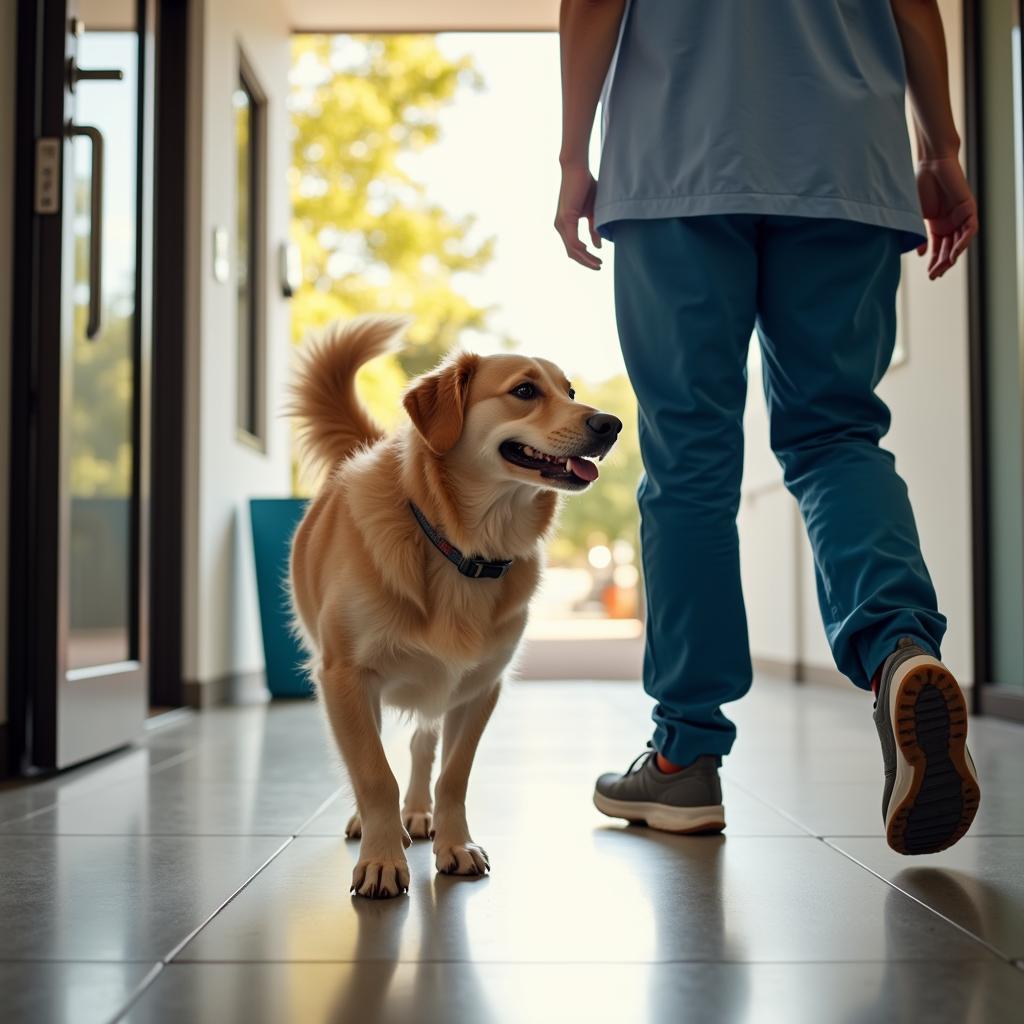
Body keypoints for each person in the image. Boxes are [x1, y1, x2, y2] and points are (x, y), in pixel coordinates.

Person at [556, 0, 981, 855]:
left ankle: (685, 755)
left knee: (689, 460)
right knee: (836, 435)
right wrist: (940, 149)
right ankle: (900, 647)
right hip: (847, 165)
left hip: (674, 161)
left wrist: (574, 158)